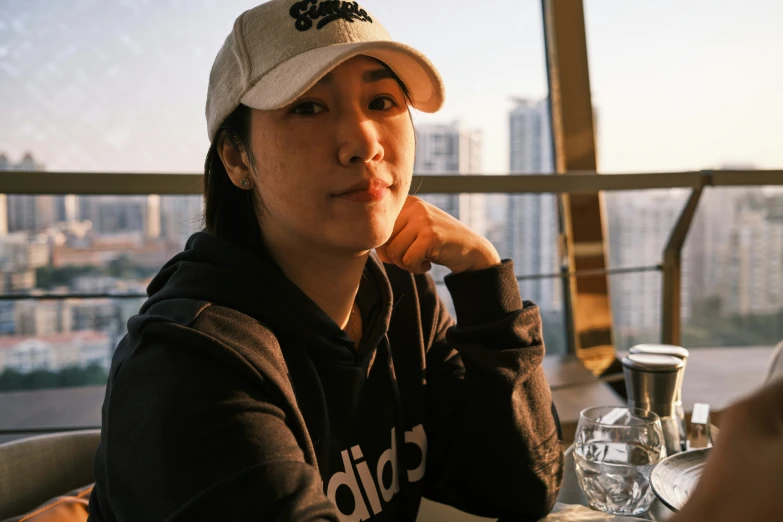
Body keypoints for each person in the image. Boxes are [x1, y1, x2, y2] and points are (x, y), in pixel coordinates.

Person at [86, 1, 564, 521]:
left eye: (382, 100)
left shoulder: (400, 296)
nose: (364, 142)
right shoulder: (188, 367)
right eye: (308, 107)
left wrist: (483, 278)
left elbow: (519, 488)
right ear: (236, 157)